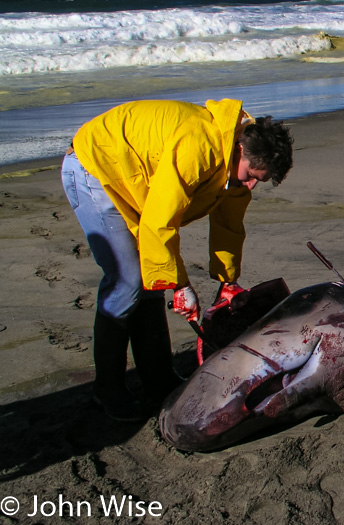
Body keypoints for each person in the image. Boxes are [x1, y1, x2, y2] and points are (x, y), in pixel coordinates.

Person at [61, 98, 293, 422]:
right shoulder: (198, 146)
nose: (252, 185)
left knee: (151, 283)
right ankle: (108, 390)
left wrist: (228, 281)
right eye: (252, 175)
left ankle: (158, 380)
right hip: (95, 168)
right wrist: (181, 285)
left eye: (260, 181)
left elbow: (228, 225)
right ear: (240, 149)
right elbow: (159, 222)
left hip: (135, 180)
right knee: (128, 281)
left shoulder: (234, 168)